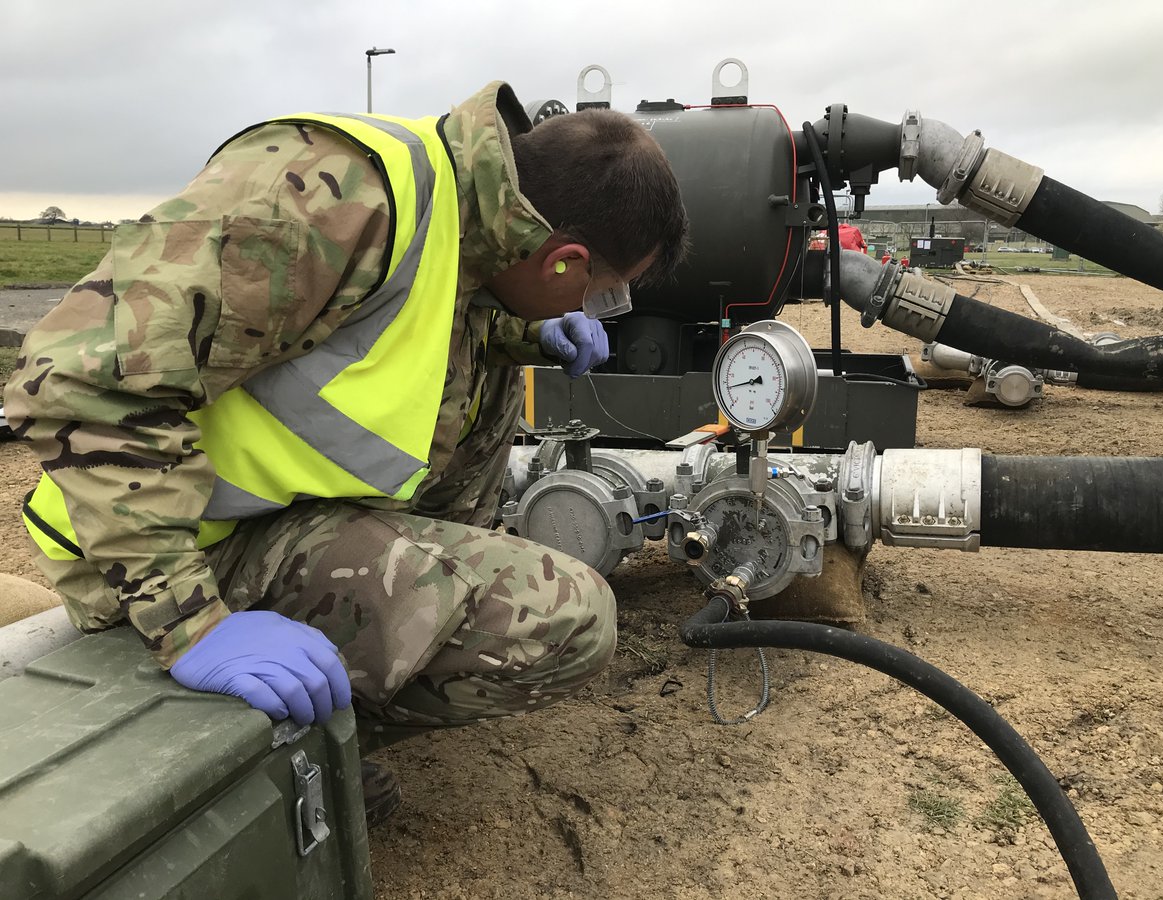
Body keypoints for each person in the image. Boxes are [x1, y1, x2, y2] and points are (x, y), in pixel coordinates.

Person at [7, 81, 688, 824]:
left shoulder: (465, 211)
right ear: (565, 261)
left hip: (255, 515)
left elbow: (382, 344)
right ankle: (272, 749)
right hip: (150, 552)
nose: (593, 312)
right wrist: (193, 623)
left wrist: (529, 336)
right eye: (602, 295)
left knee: (496, 387)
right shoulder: (332, 199)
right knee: (569, 616)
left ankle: (318, 707)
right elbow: (75, 379)